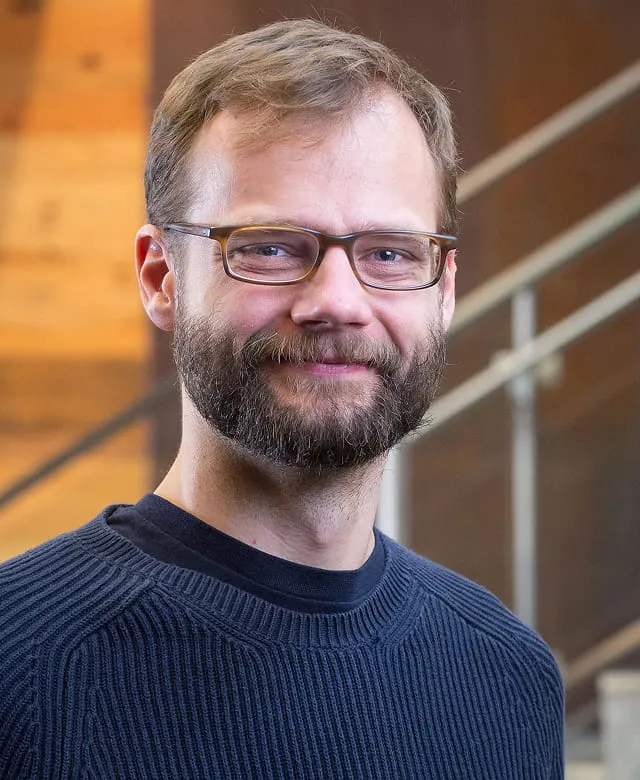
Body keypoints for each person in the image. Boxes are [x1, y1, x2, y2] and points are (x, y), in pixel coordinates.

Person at [0, 19, 564, 779]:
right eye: (269, 246)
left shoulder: (509, 678)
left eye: (390, 253)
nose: (337, 301)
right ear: (161, 277)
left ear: (445, 291)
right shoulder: (20, 661)